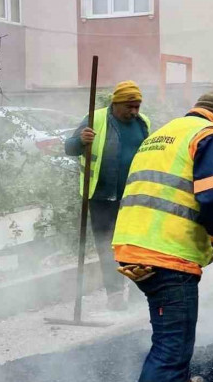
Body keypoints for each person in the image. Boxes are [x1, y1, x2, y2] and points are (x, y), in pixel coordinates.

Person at [112, 91, 213, 382]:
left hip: (134, 246)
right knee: (170, 348)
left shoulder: (163, 135)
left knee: (177, 332)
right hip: (166, 255)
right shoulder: (211, 136)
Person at [65, 80, 150, 311]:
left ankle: (136, 291)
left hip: (134, 197)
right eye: (129, 107)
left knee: (135, 245)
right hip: (101, 197)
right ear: (116, 103)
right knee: (107, 247)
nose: (134, 112)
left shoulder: (143, 123)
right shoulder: (97, 119)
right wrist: (81, 141)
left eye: (137, 106)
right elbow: (69, 148)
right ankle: (114, 294)